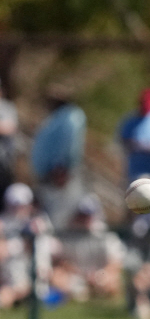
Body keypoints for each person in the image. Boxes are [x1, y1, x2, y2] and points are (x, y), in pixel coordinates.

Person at [30, 89, 87, 231]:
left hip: (60, 174)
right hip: (49, 175)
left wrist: (61, 168)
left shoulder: (72, 116)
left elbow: (70, 144)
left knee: (63, 213)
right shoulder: (57, 118)